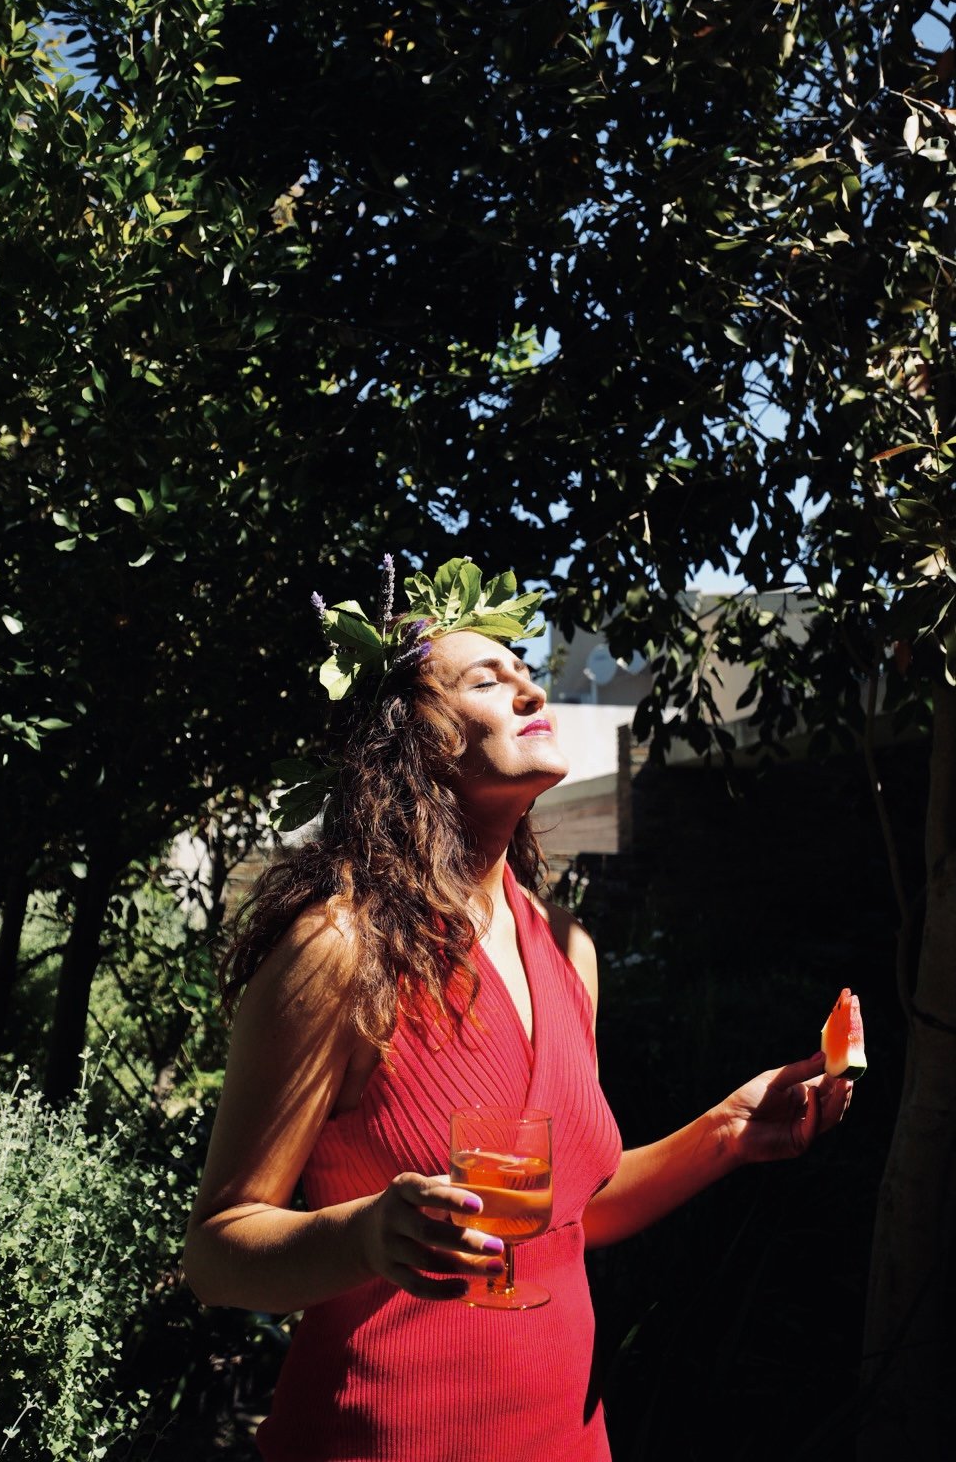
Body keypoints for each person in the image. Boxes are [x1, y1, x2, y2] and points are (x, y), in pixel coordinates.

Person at [182, 557, 852, 1462]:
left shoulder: (568, 948)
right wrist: (369, 1232)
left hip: (563, 1437)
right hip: (383, 1438)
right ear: (411, 739)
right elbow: (219, 1254)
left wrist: (729, 1130)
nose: (530, 686)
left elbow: (572, 1207)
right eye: (485, 679)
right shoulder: (339, 952)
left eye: (527, 671)